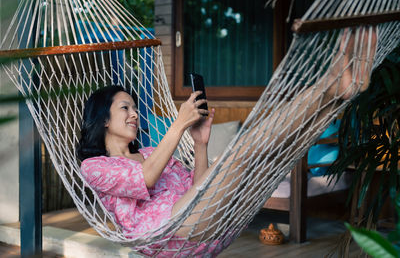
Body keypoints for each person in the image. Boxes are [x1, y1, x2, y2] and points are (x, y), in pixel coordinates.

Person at [77, 27, 377, 257]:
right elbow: (145, 177)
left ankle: (339, 94)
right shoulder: (95, 166)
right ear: (103, 119)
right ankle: (331, 82)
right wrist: (179, 124)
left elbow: (198, 188)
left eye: (135, 106)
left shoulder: (152, 151)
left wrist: (201, 144)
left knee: (274, 159)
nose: (134, 114)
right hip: (167, 234)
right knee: (242, 151)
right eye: (125, 108)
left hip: (198, 220)